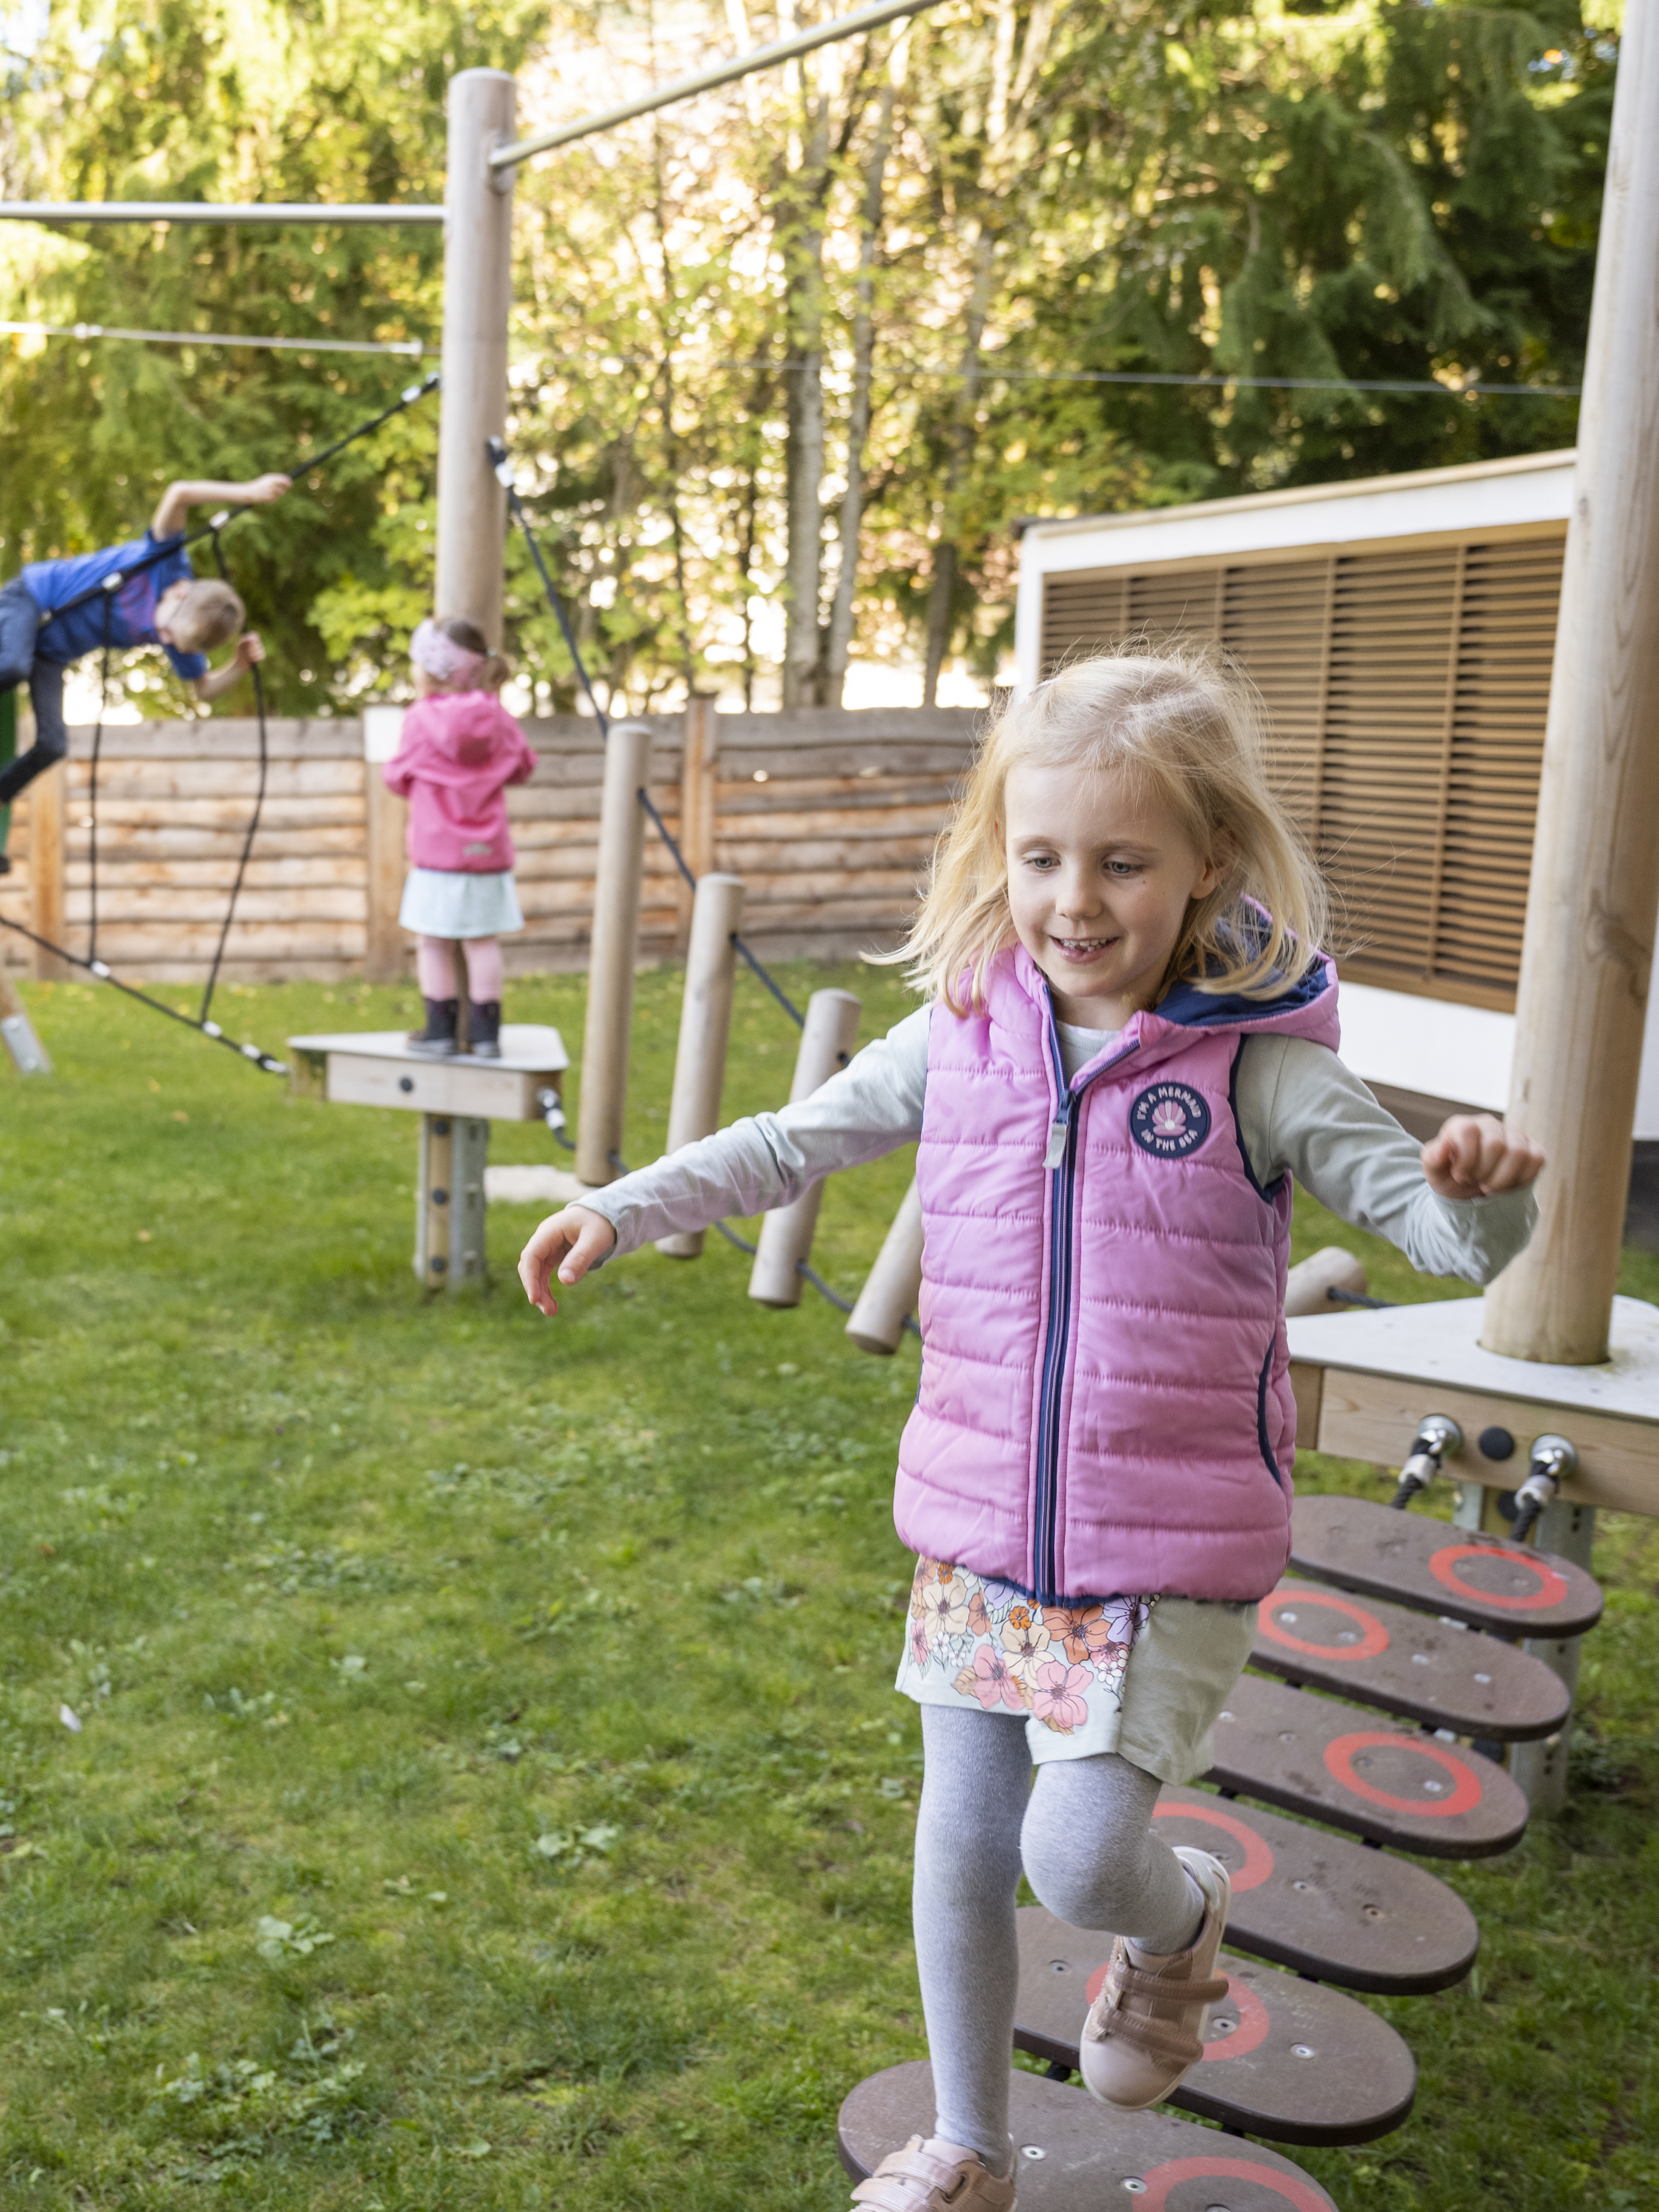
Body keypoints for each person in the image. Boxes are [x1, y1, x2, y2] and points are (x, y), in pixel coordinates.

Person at [512, 650, 1548, 2211]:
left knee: (1075, 1856)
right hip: (982, 1529)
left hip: (1163, 1554)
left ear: (1208, 864)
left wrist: (1489, 1191)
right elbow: (795, 1137)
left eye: (1123, 861)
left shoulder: (1265, 1068)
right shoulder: (969, 1031)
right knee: (959, 1841)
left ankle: (1178, 1929)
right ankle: (971, 2146)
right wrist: (618, 1201)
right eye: (1044, 855)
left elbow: (1452, 1244)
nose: (1075, 898)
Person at [0, 474, 291, 874]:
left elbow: (204, 691)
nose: (165, 639)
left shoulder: (179, 634)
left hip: (50, 654)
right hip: (31, 600)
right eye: (169, 631)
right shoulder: (166, 564)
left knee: (53, 743)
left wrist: (239, 666)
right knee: (12, 666)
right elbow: (180, 494)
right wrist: (247, 493)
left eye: (174, 642)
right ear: (178, 592)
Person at [383, 616, 533, 1058]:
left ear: (433, 671)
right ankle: (487, 1037)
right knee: (483, 943)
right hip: (488, 856)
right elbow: (524, 766)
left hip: (437, 859)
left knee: (434, 944)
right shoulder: (498, 717)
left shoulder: (419, 719)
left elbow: (395, 778)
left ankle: (440, 1031)